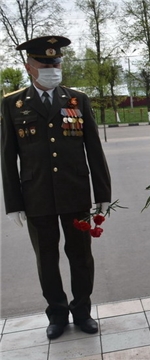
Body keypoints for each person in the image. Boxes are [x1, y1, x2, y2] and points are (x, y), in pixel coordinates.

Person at [1, 36, 111, 339]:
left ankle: (83, 311)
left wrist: (102, 193)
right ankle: (57, 314)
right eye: (45, 63)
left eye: (56, 62)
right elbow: (8, 157)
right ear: (29, 66)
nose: (52, 67)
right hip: (35, 195)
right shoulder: (13, 104)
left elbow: (94, 150)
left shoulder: (77, 100)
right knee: (46, 258)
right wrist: (13, 202)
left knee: (81, 256)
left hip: (74, 192)